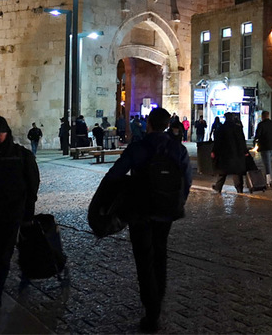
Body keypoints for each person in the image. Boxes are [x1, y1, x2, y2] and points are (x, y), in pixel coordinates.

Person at [102, 107, 191, 333]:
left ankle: (151, 310)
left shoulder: (138, 148)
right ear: (167, 125)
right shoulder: (178, 149)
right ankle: (157, 298)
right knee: (160, 252)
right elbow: (186, 181)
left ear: (149, 124)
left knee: (144, 258)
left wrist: (106, 202)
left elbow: (115, 175)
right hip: (166, 211)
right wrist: (176, 202)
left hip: (140, 211)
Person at [0, 115, 40, 323]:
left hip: (10, 218)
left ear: (7, 133)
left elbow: (32, 187)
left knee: (1, 258)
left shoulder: (22, 156)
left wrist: (28, 214)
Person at [211, 113, 249, 193]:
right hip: (236, 152)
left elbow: (217, 141)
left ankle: (218, 187)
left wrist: (214, 151)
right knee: (236, 171)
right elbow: (242, 141)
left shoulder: (221, 128)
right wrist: (245, 151)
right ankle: (239, 188)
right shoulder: (238, 128)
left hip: (224, 153)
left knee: (222, 171)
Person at [254, 111, 272, 188]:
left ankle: (269, 182)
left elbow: (257, 135)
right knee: (268, 163)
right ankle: (268, 180)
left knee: (267, 165)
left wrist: (256, 143)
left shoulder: (261, 124)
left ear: (262, 116)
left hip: (265, 147)